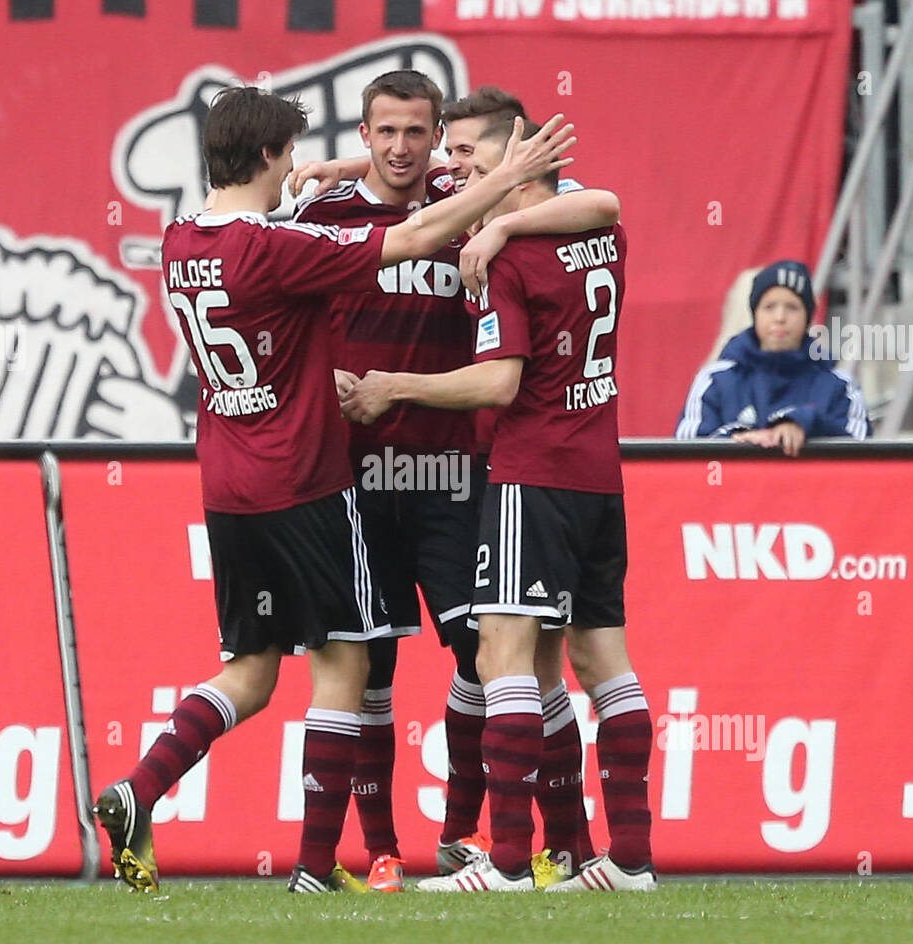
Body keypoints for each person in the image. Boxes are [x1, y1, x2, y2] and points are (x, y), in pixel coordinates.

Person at [92, 85, 575, 895]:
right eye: (285, 155)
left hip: (226, 486)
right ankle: (318, 869)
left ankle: (137, 790)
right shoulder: (278, 248)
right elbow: (416, 231)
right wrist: (513, 174)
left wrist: (362, 165)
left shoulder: (180, 242)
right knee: (346, 669)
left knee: (250, 671)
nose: (291, 171)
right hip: (307, 482)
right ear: (269, 157)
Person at [291, 79, 614, 888]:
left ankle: (474, 837)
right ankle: (382, 853)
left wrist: (499, 213)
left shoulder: (463, 191)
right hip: (355, 478)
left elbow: (597, 203)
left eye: (417, 133)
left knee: (490, 656)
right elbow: (278, 311)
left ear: (438, 139)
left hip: (456, 473)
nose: (401, 148)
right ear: (366, 131)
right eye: (384, 132)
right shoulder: (322, 218)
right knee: (367, 665)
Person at [675, 260, 871, 453]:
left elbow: (863, 453)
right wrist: (738, 440)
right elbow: (685, 449)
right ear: (755, 314)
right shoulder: (714, 379)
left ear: (808, 317)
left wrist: (806, 424)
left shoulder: (839, 385)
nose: (780, 318)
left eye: (792, 308)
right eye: (769, 307)